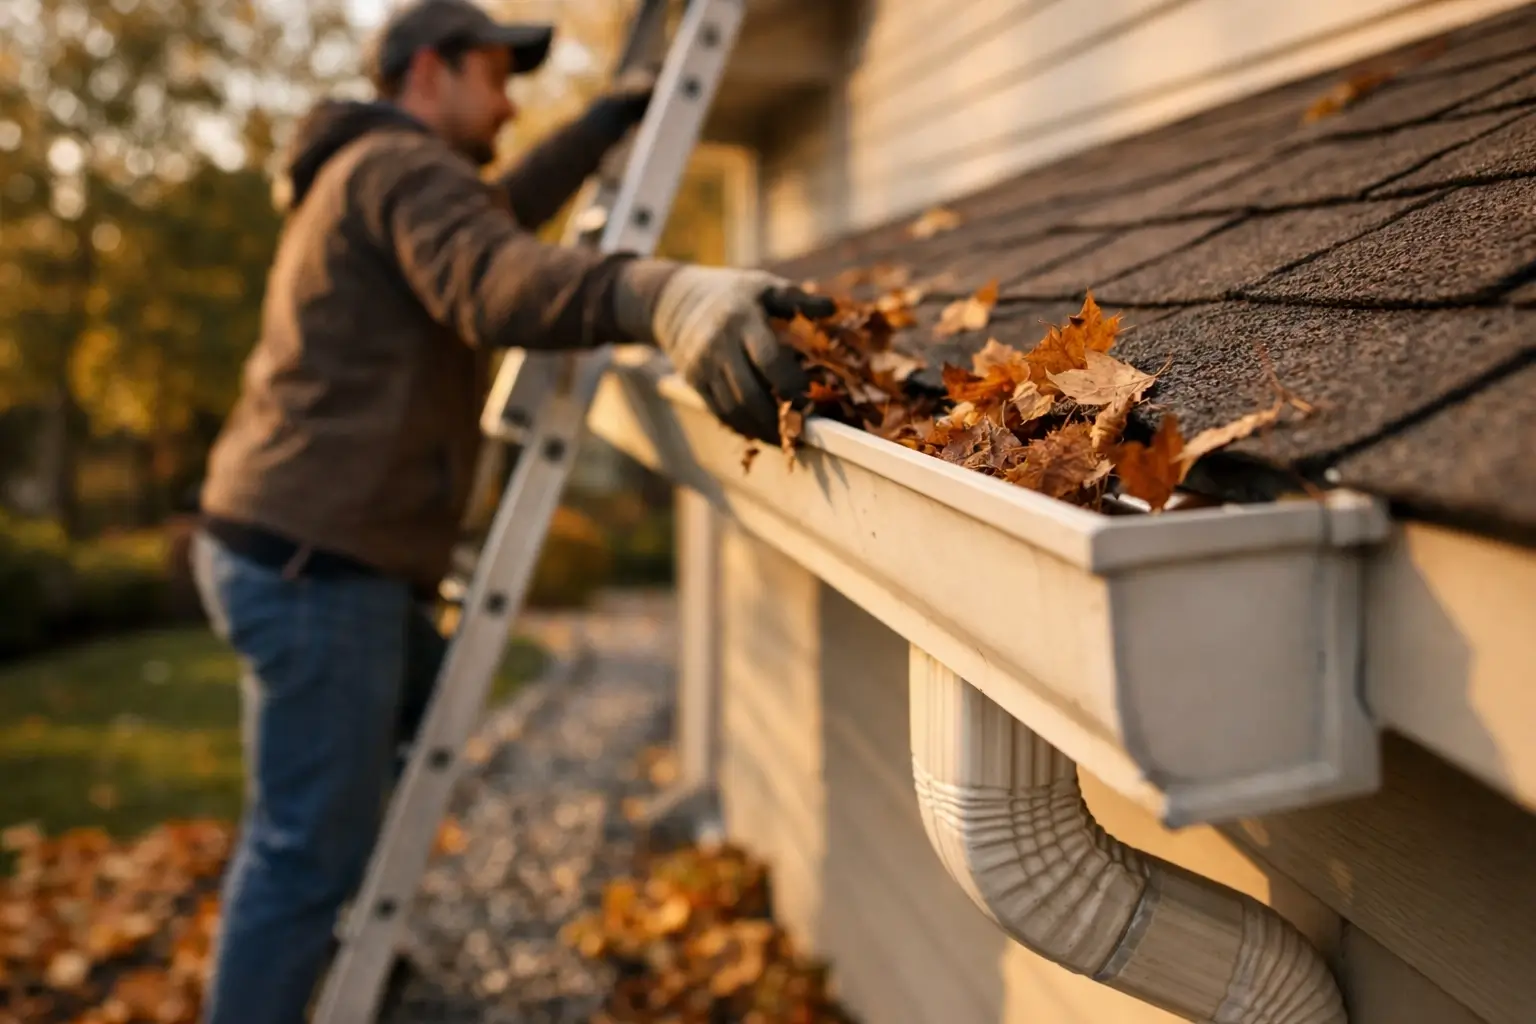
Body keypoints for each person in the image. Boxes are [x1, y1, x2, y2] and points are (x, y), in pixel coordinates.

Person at [187, 0, 828, 1020]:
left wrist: (608, 120)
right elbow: (492, 275)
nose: (510, 100)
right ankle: (297, 973)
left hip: (297, 546)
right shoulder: (401, 172)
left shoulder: (376, 170)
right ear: (429, 73)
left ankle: (343, 964)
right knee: (301, 850)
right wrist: (661, 294)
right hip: (320, 564)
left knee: (381, 751)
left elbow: (497, 213)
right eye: (496, 76)